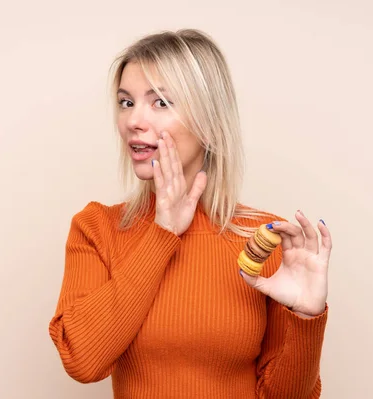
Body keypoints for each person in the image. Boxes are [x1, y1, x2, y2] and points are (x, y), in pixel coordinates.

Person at [49, 28, 332, 398]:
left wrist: (307, 317)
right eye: (126, 102)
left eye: (160, 102)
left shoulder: (267, 242)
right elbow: (82, 360)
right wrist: (162, 233)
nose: (133, 120)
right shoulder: (97, 228)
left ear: (210, 127)